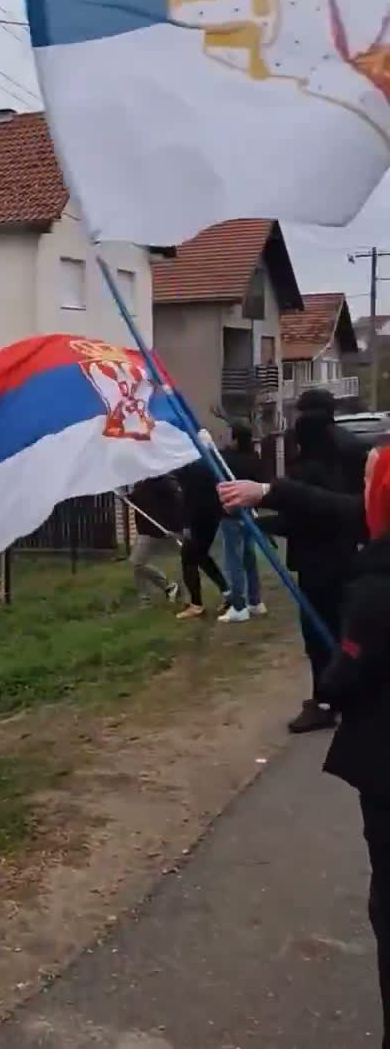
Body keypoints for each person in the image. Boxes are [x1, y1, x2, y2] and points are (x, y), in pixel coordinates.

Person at [219, 448, 390, 1046]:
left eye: (371, 477)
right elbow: (330, 506)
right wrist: (266, 495)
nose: (360, 485)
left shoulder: (376, 588)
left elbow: (352, 673)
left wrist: (336, 682)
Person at [260, 407, 359, 732]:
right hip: (346, 562)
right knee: (341, 632)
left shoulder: (305, 473)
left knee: (318, 638)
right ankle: (347, 694)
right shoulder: (343, 467)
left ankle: (326, 701)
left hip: (317, 568)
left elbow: (297, 521)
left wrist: (261, 523)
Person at [217, 423, 267, 624]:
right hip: (251, 512)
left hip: (231, 515)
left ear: (236, 439)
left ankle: (239, 606)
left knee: (234, 561)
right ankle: (255, 602)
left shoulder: (227, 459)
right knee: (249, 557)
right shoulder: (254, 458)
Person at [175, 459, 230, 620]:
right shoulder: (205, 460)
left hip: (199, 518)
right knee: (201, 556)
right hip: (212, 514)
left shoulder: (188, 466)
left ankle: (196, 605)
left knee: (188, 558)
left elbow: (189, 497)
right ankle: (228, 593)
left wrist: (187, 524)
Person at [127, 475, 181, 605]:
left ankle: (169, 586)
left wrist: (172, 526)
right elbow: (139, 500)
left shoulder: (164, 481)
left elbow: (177, 503)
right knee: (138, 564)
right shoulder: (142, 482)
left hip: (157, 529)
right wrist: (126, 497)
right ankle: (145, 599)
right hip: (146, 528)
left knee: (138, 562)